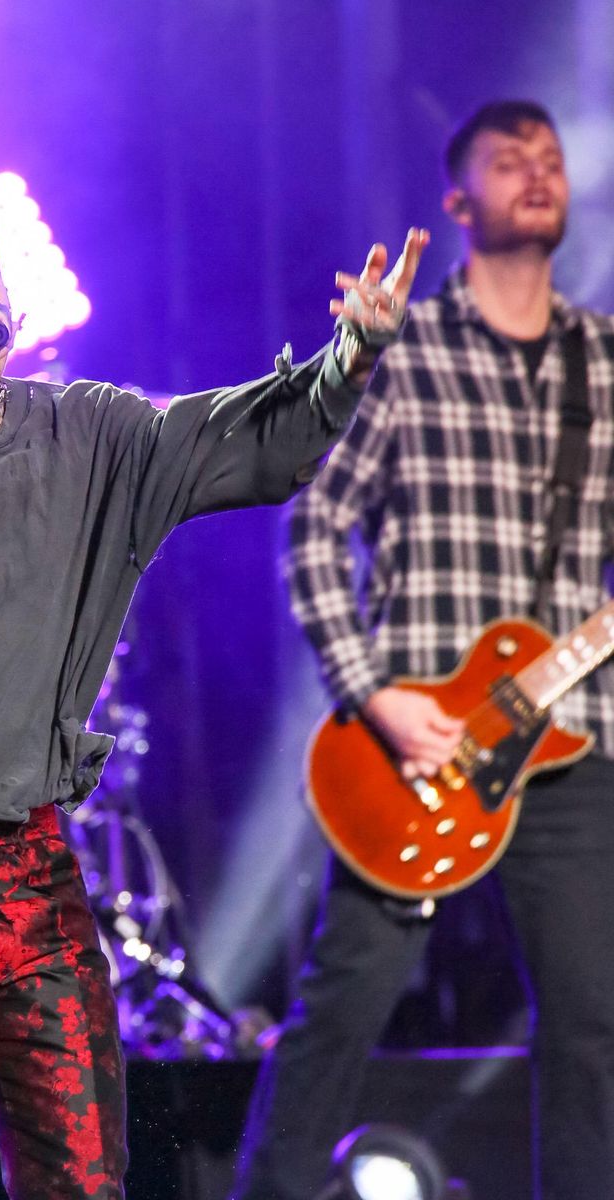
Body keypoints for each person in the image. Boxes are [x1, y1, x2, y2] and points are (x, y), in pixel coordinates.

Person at [0, 187, 425, 1199]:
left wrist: (350, 359)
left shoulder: (90, 431)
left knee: (83, 1183)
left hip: (26, 873)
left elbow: (254, 441)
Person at [233, 100, 614, 1200]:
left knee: (591, 1027)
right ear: (458, 199)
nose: (537, 173)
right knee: (341, 1009)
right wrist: (372, 694)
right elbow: (314, 526)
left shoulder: (602, 361)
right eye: (509, 159)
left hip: (573, 742)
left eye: (551, 158)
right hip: (416, 746)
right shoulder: (405, 350)